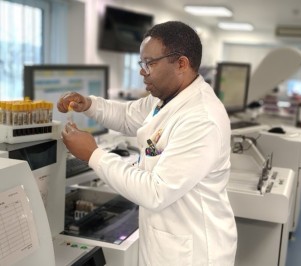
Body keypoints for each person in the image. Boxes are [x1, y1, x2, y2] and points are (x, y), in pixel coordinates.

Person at [58, 21, 237, 265]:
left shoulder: (201, 119)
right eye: (142, 63)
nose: (143, 72)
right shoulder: (166, 98)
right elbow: (127, 115)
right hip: (167, 243)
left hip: (194, 253)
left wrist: (93, 154)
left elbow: (155, 191)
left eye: (150, 63)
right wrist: (89, 104)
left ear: (181, 64)